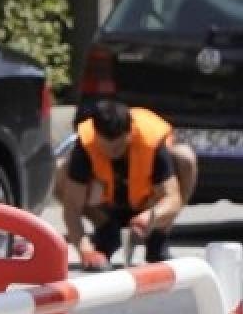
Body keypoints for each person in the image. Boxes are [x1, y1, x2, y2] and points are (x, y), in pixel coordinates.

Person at [54, 98, 197, 270]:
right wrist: (85, 250)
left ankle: (157, 241)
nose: (112, 153)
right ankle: (107, 232)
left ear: (130, 132)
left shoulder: (149, 139)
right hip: (105, 204)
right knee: (61, 170)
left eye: (118, 147)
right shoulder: (86, 143)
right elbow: (72, 208)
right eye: (106, 148)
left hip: (147, 205)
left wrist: (152, 216)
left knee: (185, 157)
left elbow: (172, 199)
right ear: (97, 135)